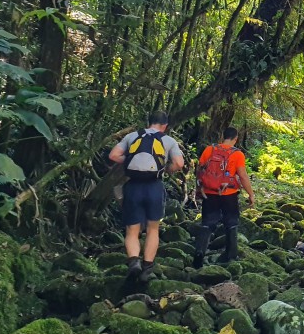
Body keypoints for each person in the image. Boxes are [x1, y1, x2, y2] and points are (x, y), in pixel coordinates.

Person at [108, 111, 185, 282]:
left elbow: (113, 155)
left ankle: (134, 262)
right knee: (152, 228)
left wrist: (128, 162)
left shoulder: (132, 136)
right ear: (165, 126)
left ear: (149, 122)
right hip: (154, 187)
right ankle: (147, 268)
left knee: (132, 230)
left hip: (133, 186)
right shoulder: (168, 140)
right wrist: (167, 169)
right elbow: (179, 163)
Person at [192, 126, 255, 267]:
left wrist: (198, 188)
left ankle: (199, 252)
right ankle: (230, 255)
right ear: (235, 139)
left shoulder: (209, 150)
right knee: (231, 223)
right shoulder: (237, 154)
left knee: (207, 223)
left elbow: (199, 170)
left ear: (222, 136)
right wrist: (251, 194)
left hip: (209, 192)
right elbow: (243, 176)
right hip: (229, 193)